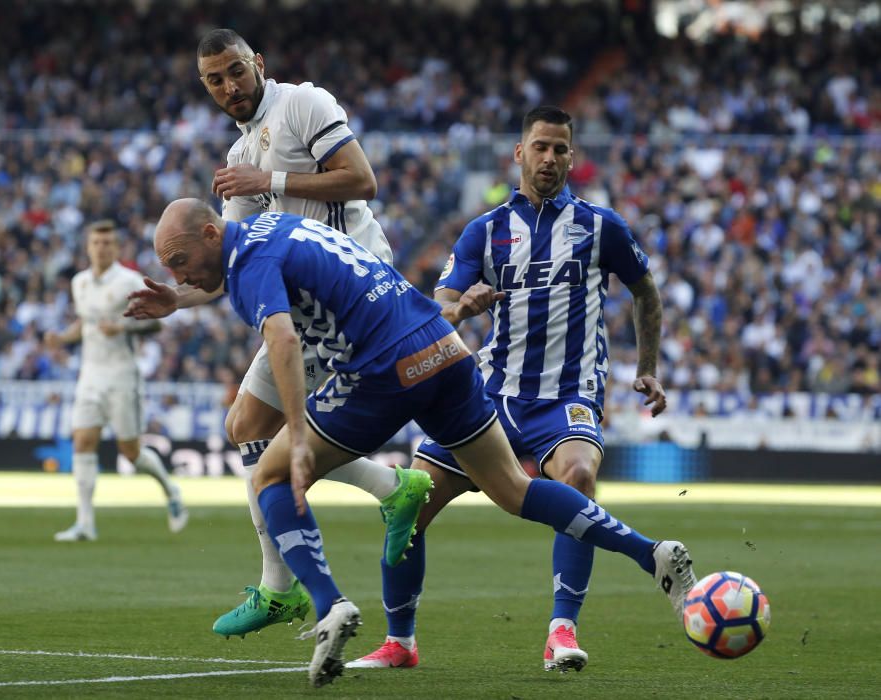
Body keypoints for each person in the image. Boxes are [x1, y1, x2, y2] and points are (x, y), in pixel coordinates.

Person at [143, 197, 696, 688]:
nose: (177, 273)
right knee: (513, 490)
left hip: (385, 367)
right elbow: (261, 279)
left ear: (212, 234)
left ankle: (329, 604)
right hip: (444, 344)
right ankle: (653, 554)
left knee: (269, 471)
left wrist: (297, 427)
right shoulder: (273, 228)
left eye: (179, 261)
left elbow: (283, 338)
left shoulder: (249, 266)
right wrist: (178, 296)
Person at [126, 28, 432, 637]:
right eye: (214, 79)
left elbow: (362, 180)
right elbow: (225, 264)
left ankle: (288, 584)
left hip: (354, 299)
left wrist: (275, 183)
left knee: (263, 435)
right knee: (243, 427)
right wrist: (178, 300)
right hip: (304, 309)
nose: (228, 87)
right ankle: (386, 493)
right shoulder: (238, 160)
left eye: (236, 71)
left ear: (257, 63)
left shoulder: (303, 104)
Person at [348, 106, 669, 673]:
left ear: (573, 157)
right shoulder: (486, 230)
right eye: (540, 147)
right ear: (519, 153)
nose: (550, 158)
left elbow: (646, 292)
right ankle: (401, 642)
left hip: (567, 393)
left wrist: (648, 366)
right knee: (410, 505)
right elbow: (438, 305)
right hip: (490, 395)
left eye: (561, 149)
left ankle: (561, 632)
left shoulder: (602, 227)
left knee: (580, 474)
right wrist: (462, 307)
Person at [45, 220, 188, 541]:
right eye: (96, 243)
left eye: (108, 243)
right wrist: (63, 338)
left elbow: (156, 325)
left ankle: (171, 489)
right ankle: (85, 523)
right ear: (88, 247)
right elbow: (86, 323)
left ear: (117, 248)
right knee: (82, 441)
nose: (101, 248)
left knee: (131, 453)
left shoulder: (130, 282)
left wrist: (123, 328)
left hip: (123, 374)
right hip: (89, 374)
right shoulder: (80, 282)